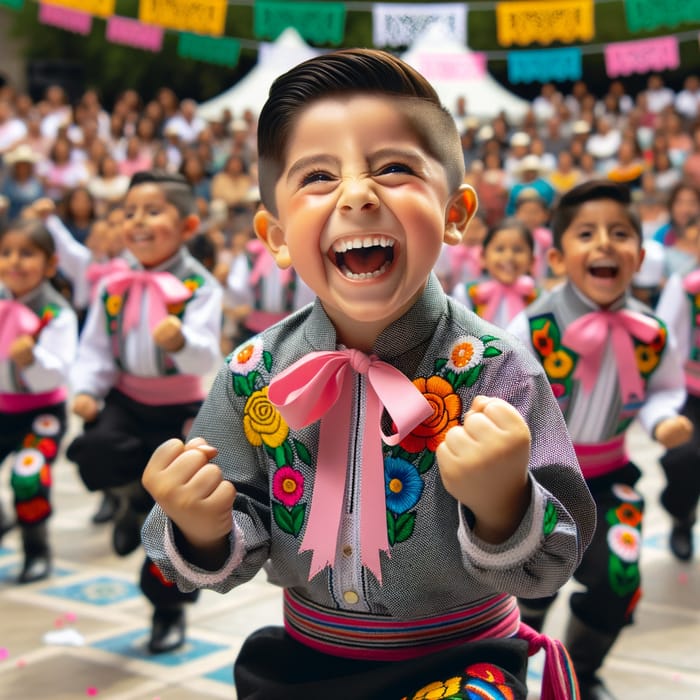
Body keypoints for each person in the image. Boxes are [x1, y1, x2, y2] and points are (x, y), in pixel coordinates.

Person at [140, 49, 595, 699]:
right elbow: (232, 527)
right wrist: (200, 526)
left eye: (394, 168)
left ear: (456, 213)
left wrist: (504, 506)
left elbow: (553, 562)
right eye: (319, 176)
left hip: (462, 664)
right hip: (307, 664)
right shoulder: (253, 374)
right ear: (274, 233)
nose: (358, 194)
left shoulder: (496, 370)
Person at [507, 180, 692, 700]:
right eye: (587, 233)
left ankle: (584, 672)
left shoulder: (653, 332)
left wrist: (661, 421)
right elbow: (504, 392)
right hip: (536, 478)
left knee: (618, 574)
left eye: (619, 233)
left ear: (639, 255)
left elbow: (665, 388)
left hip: (613, 476)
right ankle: (512, 658)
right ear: (561, 256)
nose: (605, 243)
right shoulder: (534, 325)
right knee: (526, 576)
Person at [65, 170, 223, 653]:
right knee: (92, 449)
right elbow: (94, 346)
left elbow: (204, 355)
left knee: (176, 509)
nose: (138, 221)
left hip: (177, 408)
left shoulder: (199, 285)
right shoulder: (114, 282)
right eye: (130, 211)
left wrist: (182, 341)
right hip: (125, 400)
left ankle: (167, 609)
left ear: (188, 224)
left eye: (153, 211)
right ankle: (129, 500)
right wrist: (88, 388)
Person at [0, 218, 78, 582]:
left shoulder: (56, 313)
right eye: (6, 253)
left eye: (26, 254)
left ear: (49, 264)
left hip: (41, 412)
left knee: (28, 475)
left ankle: (37, 547)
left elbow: (58, 371)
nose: (14, 262)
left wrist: (32, 359)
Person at [655, 218, 700, 560]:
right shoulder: (686, 285)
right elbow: (665, 337)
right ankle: (681, 513)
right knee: (685, 455)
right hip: (689, 389)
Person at [451, 218, 538, 328]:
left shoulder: (537, 298)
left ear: (532, 261)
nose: (509, 257)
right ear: (483, 256)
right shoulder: (467, 295)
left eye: (518, 250)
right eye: (500, 249)